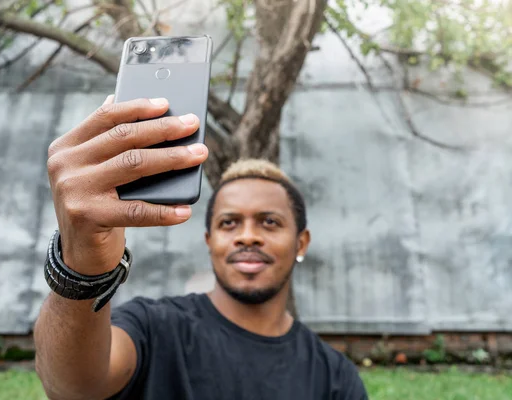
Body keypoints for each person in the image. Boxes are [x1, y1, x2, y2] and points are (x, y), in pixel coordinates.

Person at [34, 96, 368, 400]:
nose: (247, 236)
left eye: (269, 222)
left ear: (301, 242)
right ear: (210, 242)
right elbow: (73, 388)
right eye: (229, 223)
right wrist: (81, 267)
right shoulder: (153, 326)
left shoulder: (334, 376)